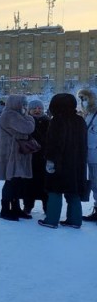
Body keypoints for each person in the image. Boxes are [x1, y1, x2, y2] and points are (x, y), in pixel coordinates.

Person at [39, 93, 87, 229]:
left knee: (55, 191)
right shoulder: (80, 120)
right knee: (73, 191)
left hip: (59, 163)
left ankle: (51, 220)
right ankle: (75, 220)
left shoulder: (57, 121)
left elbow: (54, 144)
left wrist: (50, 160)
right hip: (77, 163)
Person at [0, 94, 35, 221]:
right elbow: (28, 128)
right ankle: (5, 210)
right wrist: (30, 117)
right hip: (11, 154)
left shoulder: (13, 115)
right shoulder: (10, 115)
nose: (24, 106)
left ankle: (15, 208)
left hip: (14, 153)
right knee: (11, 182)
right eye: (23, 103)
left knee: (16, 182)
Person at [19, 99, 50, 216]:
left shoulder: (48, 122)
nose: (37, 110)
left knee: (45, 185)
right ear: (29, 110)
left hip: (44, 158)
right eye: (34, 108)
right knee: (28, 184)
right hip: (29, 158)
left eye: (40, 108)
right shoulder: (25, 122)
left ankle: (47, 207)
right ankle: (27, 206)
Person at [77, 88, 97, 222]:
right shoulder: (87, 114)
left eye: (84, 98)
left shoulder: (94, 115)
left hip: (94, 154)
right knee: (95, 183)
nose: (82, 102)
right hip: (90, 155)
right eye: (81, 99)